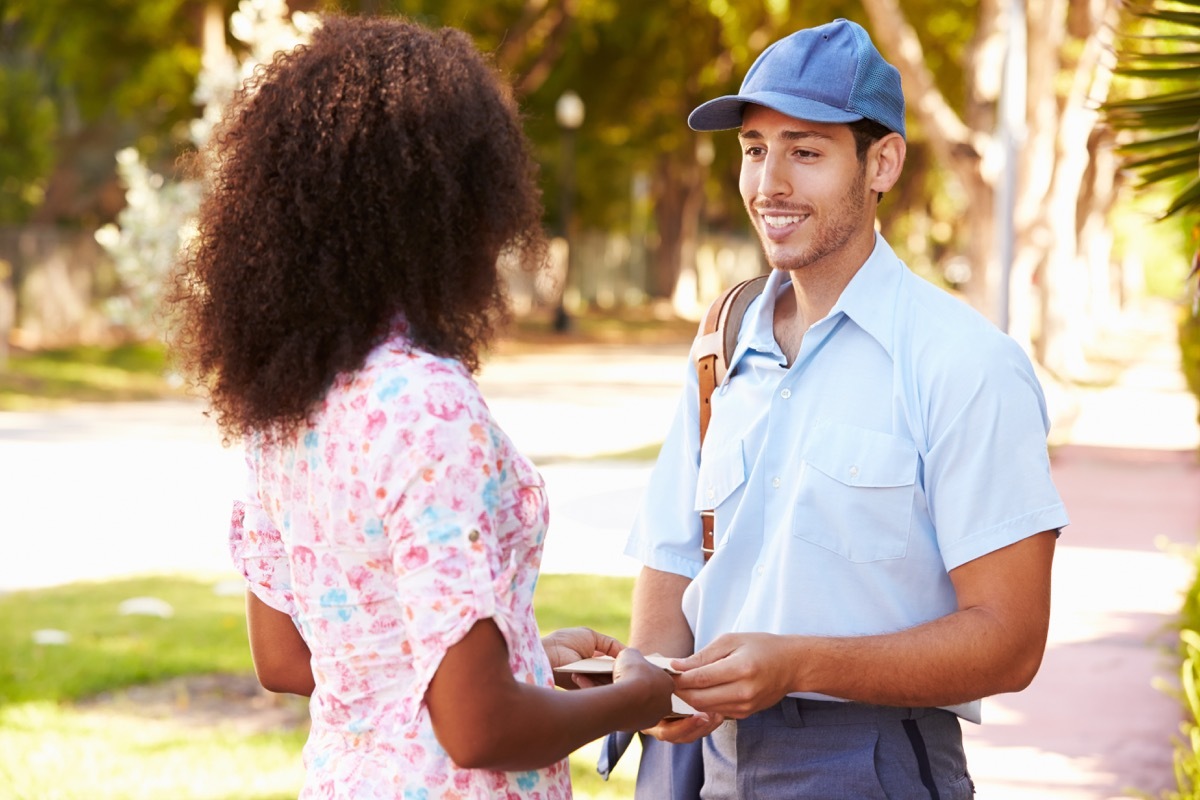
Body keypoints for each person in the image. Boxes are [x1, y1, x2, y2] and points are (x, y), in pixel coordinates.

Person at [167, 14, 674, 799]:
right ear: (447, 203)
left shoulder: (289, 404)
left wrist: (526, 660)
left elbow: (294, 660)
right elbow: (478, 730)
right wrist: (637, 697)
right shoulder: (427, 408)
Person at [619, 17, 1069, 798]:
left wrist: (798, 665)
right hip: (713, 767)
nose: (769, 184)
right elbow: (672, 562)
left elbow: (1010, 641)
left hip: (873, 765)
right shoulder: (721, 346)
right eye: (754, 150)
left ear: (882, 162)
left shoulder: (965, 365)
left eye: (805, 151)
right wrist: (648, 681)